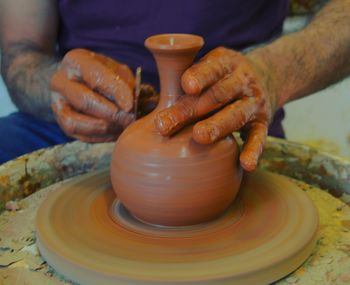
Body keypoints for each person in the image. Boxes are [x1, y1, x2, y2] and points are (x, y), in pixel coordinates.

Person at [0, 0, 349, 171]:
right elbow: (20, 52)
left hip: (234, 122)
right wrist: (53, 87)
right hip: (76, 123)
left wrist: (273, 72)